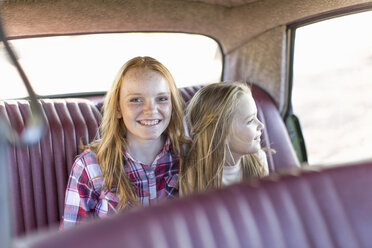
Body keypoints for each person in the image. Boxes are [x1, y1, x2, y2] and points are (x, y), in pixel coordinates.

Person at [61, 56, 187, 228]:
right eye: (136, 100)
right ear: (118, 108)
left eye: (162, 98)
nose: (151, 110)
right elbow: (71, 240)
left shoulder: (187, 154)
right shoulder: (90, 166)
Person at [180, 81, 268, 195]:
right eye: (250, 121)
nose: (261, 125)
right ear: (221, 133)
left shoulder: (259, 161)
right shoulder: (194, 178)